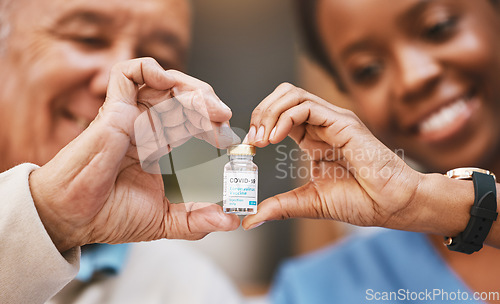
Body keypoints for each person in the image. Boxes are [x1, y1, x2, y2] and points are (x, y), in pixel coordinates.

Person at [241, 0, 500, 302]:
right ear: (348, 94)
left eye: (437, 28)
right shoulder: (316, 291)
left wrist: (433, 203)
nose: (413, 79)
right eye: (368, 70)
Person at [0, 0, 244, 303]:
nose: (118, 80)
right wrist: (45, 220)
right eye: (87, 38)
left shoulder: (189, 289)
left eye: (159, 58)